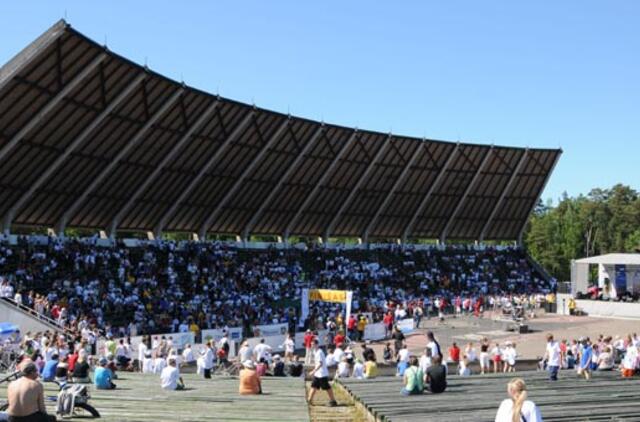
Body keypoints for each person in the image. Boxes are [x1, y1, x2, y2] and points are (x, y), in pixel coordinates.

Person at [307, 340, 337, 407]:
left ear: (317, 344)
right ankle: (309, 400)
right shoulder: (316, 352)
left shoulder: (319, 352)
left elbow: (320, 364)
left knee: (327, 388)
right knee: (313, 386)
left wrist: (313, 371)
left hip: (322, 374)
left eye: (313, 344)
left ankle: (333, 401)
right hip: (318, 374)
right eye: (311, 344)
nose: (312, 346)